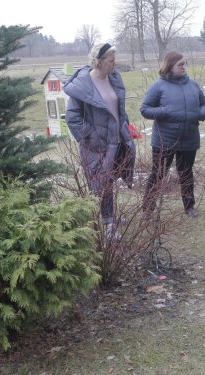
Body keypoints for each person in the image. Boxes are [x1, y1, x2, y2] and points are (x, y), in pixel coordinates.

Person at [64, 43, 136, 238]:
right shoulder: (83, 85)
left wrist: (125, 127)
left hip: (117, 141)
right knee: (100, 185)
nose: (115, 64)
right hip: (96, 146)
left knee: (109, 181)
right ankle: (108, 227)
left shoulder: (113, 78)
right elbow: (72, 117)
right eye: (111, 60)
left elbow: (118, 107)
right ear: (98, 61)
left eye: (114, 60)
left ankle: (109, 217)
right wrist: (92, 138)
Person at [140, 51, 205, 218]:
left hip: (189, 138)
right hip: (165, 140)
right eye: (180, 64)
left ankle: (189, 207)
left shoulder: (193, 85)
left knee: (186, 173)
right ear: (170, 66)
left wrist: (200, 114)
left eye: (184, 64)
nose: (184, 67)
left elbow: (204, 105)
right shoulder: (158, 86)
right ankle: (148, 209)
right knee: (158, 174)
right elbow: (145, 109)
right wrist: (165, 111)